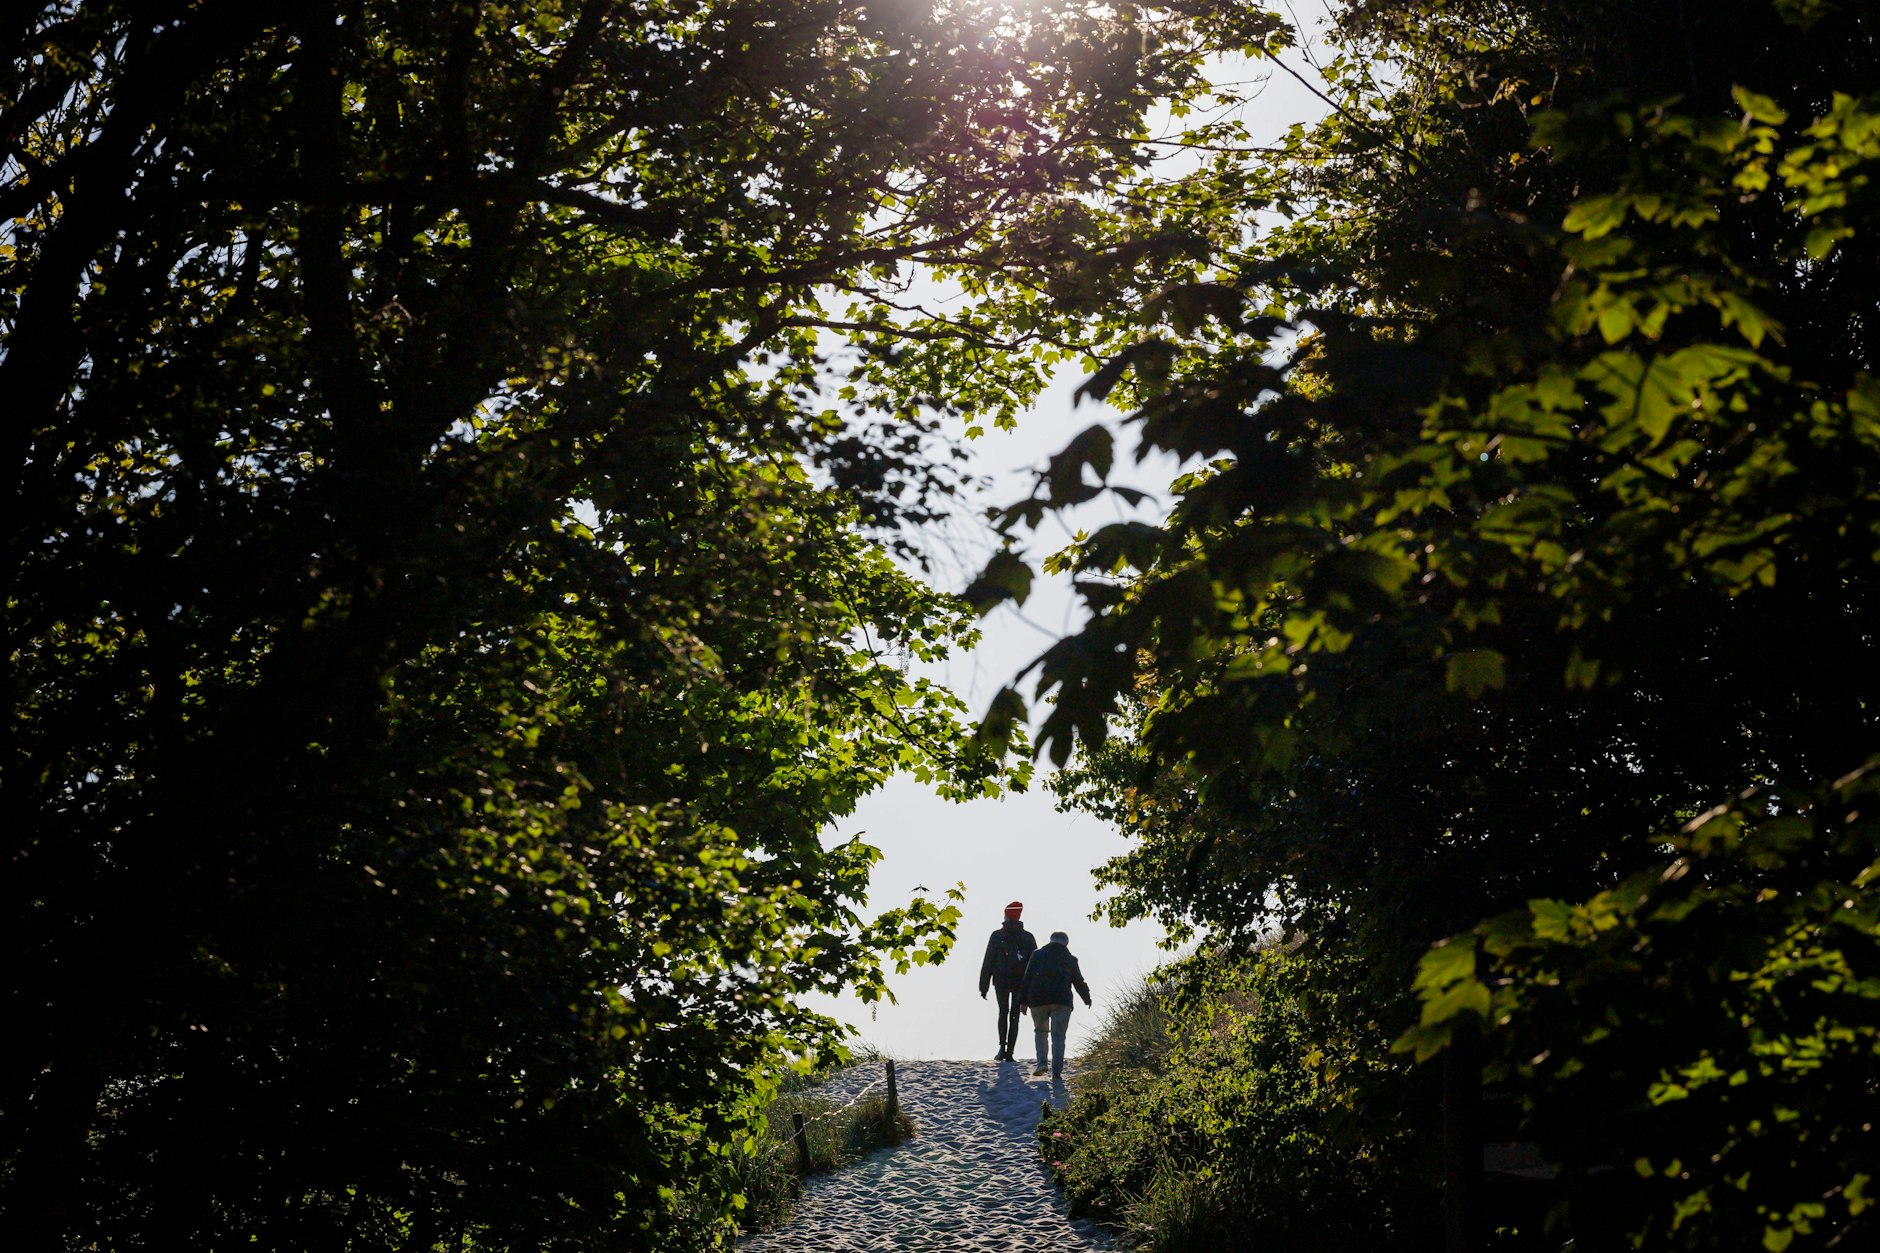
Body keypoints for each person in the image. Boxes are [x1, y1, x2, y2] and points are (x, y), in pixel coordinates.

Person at [1017, 930, 1092, 1081]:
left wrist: (1023, 1001)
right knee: (1059, 1036)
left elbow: (1027, 977)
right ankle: (1056, 1072)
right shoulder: (1070, 959)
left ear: (1050, 941)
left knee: (1040, 1031)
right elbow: (1078, 980)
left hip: (1038, 1000)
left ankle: (1042, 1063)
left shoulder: (1037, 955)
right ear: (1066, 943)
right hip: (1062, 1001)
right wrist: (1086, 997)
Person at [977, 901, 1036, 1062]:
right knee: (1014, 1015)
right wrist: (1033, 987)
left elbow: (988, 960)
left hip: (1001, 980)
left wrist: (984, 985)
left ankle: (1002, 1047)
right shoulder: (1028, 937)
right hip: (1020, 982)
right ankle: (1010, 1051)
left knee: (1003, 1012)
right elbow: (1034, 964)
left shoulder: (997, 935)